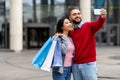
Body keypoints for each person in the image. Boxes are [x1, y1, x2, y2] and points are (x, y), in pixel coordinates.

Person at [68, 8, 107, 80]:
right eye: (74, 14)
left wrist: (102, 17)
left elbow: (98, 23)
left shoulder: (88, 26)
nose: (77, 16)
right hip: (75, 66)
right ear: (70, 18)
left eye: (78, 14)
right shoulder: (71, 32)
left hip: (88, 64)